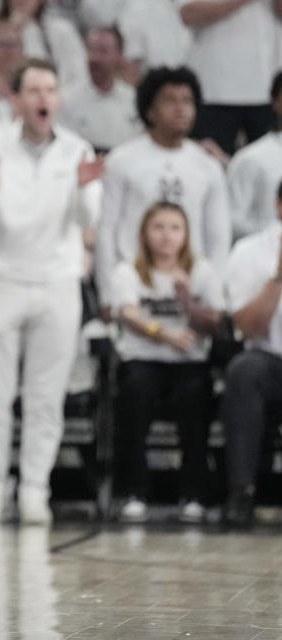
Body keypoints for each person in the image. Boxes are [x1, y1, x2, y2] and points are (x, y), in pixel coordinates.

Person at [0, 58, 103, 525]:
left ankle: (35, 488)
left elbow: (89, 223)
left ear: (58, 98)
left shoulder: (77, 149)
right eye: (34, 89)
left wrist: (83, 190)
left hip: (57, 281)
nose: (43, 98)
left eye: (50, 89)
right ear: (16, 99)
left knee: (46, 395)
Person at [111, 202, 223, 524]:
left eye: (175, 228)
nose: (166, 236)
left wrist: (189, 303)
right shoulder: (128, 272)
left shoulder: (201, 271)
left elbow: (217, 323)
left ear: (186, 235)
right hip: (142, 359)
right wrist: (162, 333)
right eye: (158, 227)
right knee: (135, 393)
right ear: (145, 233)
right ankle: (134, 491)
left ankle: (194, 493)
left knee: (195, 398)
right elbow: (129, 314)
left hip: (189, 363)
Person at [96, 66, 231, 312]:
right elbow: (107, 229)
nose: (181, 109)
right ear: (150, 110)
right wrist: (108, 293)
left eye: (187, 101)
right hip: (136, 282)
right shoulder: (122, 160)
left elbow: (218, 235)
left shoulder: (208, 166)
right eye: (170, 101)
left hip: (190, 285)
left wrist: (215, 294)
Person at [221, 180, 282, 528]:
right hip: (271, 363)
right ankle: (241, 492)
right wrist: (277, 278)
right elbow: (246, 326)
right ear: (278, 206)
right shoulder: (250, 250)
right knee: (244, 370)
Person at [180, 0, 282, 155]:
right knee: (210, 163)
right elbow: (188, 14)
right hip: (214, 91)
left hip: (267, 90)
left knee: (273, 164)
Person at [59, 26, 141, 154]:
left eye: (103, 51)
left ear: (119, 55)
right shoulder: (67, 99)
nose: (94, 58)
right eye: (91, 50)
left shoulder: (132, 100)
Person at [226, 71, 282, 242]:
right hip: (264, 261)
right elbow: (231, 221)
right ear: (275, 102)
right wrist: (273, 234)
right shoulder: (251, 158)